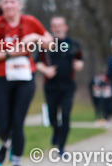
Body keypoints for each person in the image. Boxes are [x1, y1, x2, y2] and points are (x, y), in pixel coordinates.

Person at [0, 0, 54, 166]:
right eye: (5, 3)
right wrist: (9, 54)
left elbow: (51, 43)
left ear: (19, 5)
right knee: (4, 125)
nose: (9, 6)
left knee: (18, 122)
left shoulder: (30, 22)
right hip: (1, 77)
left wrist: (35, 38)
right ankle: (5, 142)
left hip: (25, 78)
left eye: (12, 2)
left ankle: (16, 164)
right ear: (2, 6)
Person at [34, 16, 83, 156]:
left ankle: (61, 147)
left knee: (66, 115)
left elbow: (80, 60)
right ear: (51, 28)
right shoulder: (46, 45)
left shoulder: (73, 44)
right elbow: (37, 62)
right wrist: (45, 70)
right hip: (51, 86)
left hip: (68, 85)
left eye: (59, 25)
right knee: (52, 116)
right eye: (54, 25)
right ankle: (56, 131)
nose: (57, 28)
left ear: (65, 27)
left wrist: (79, 65)